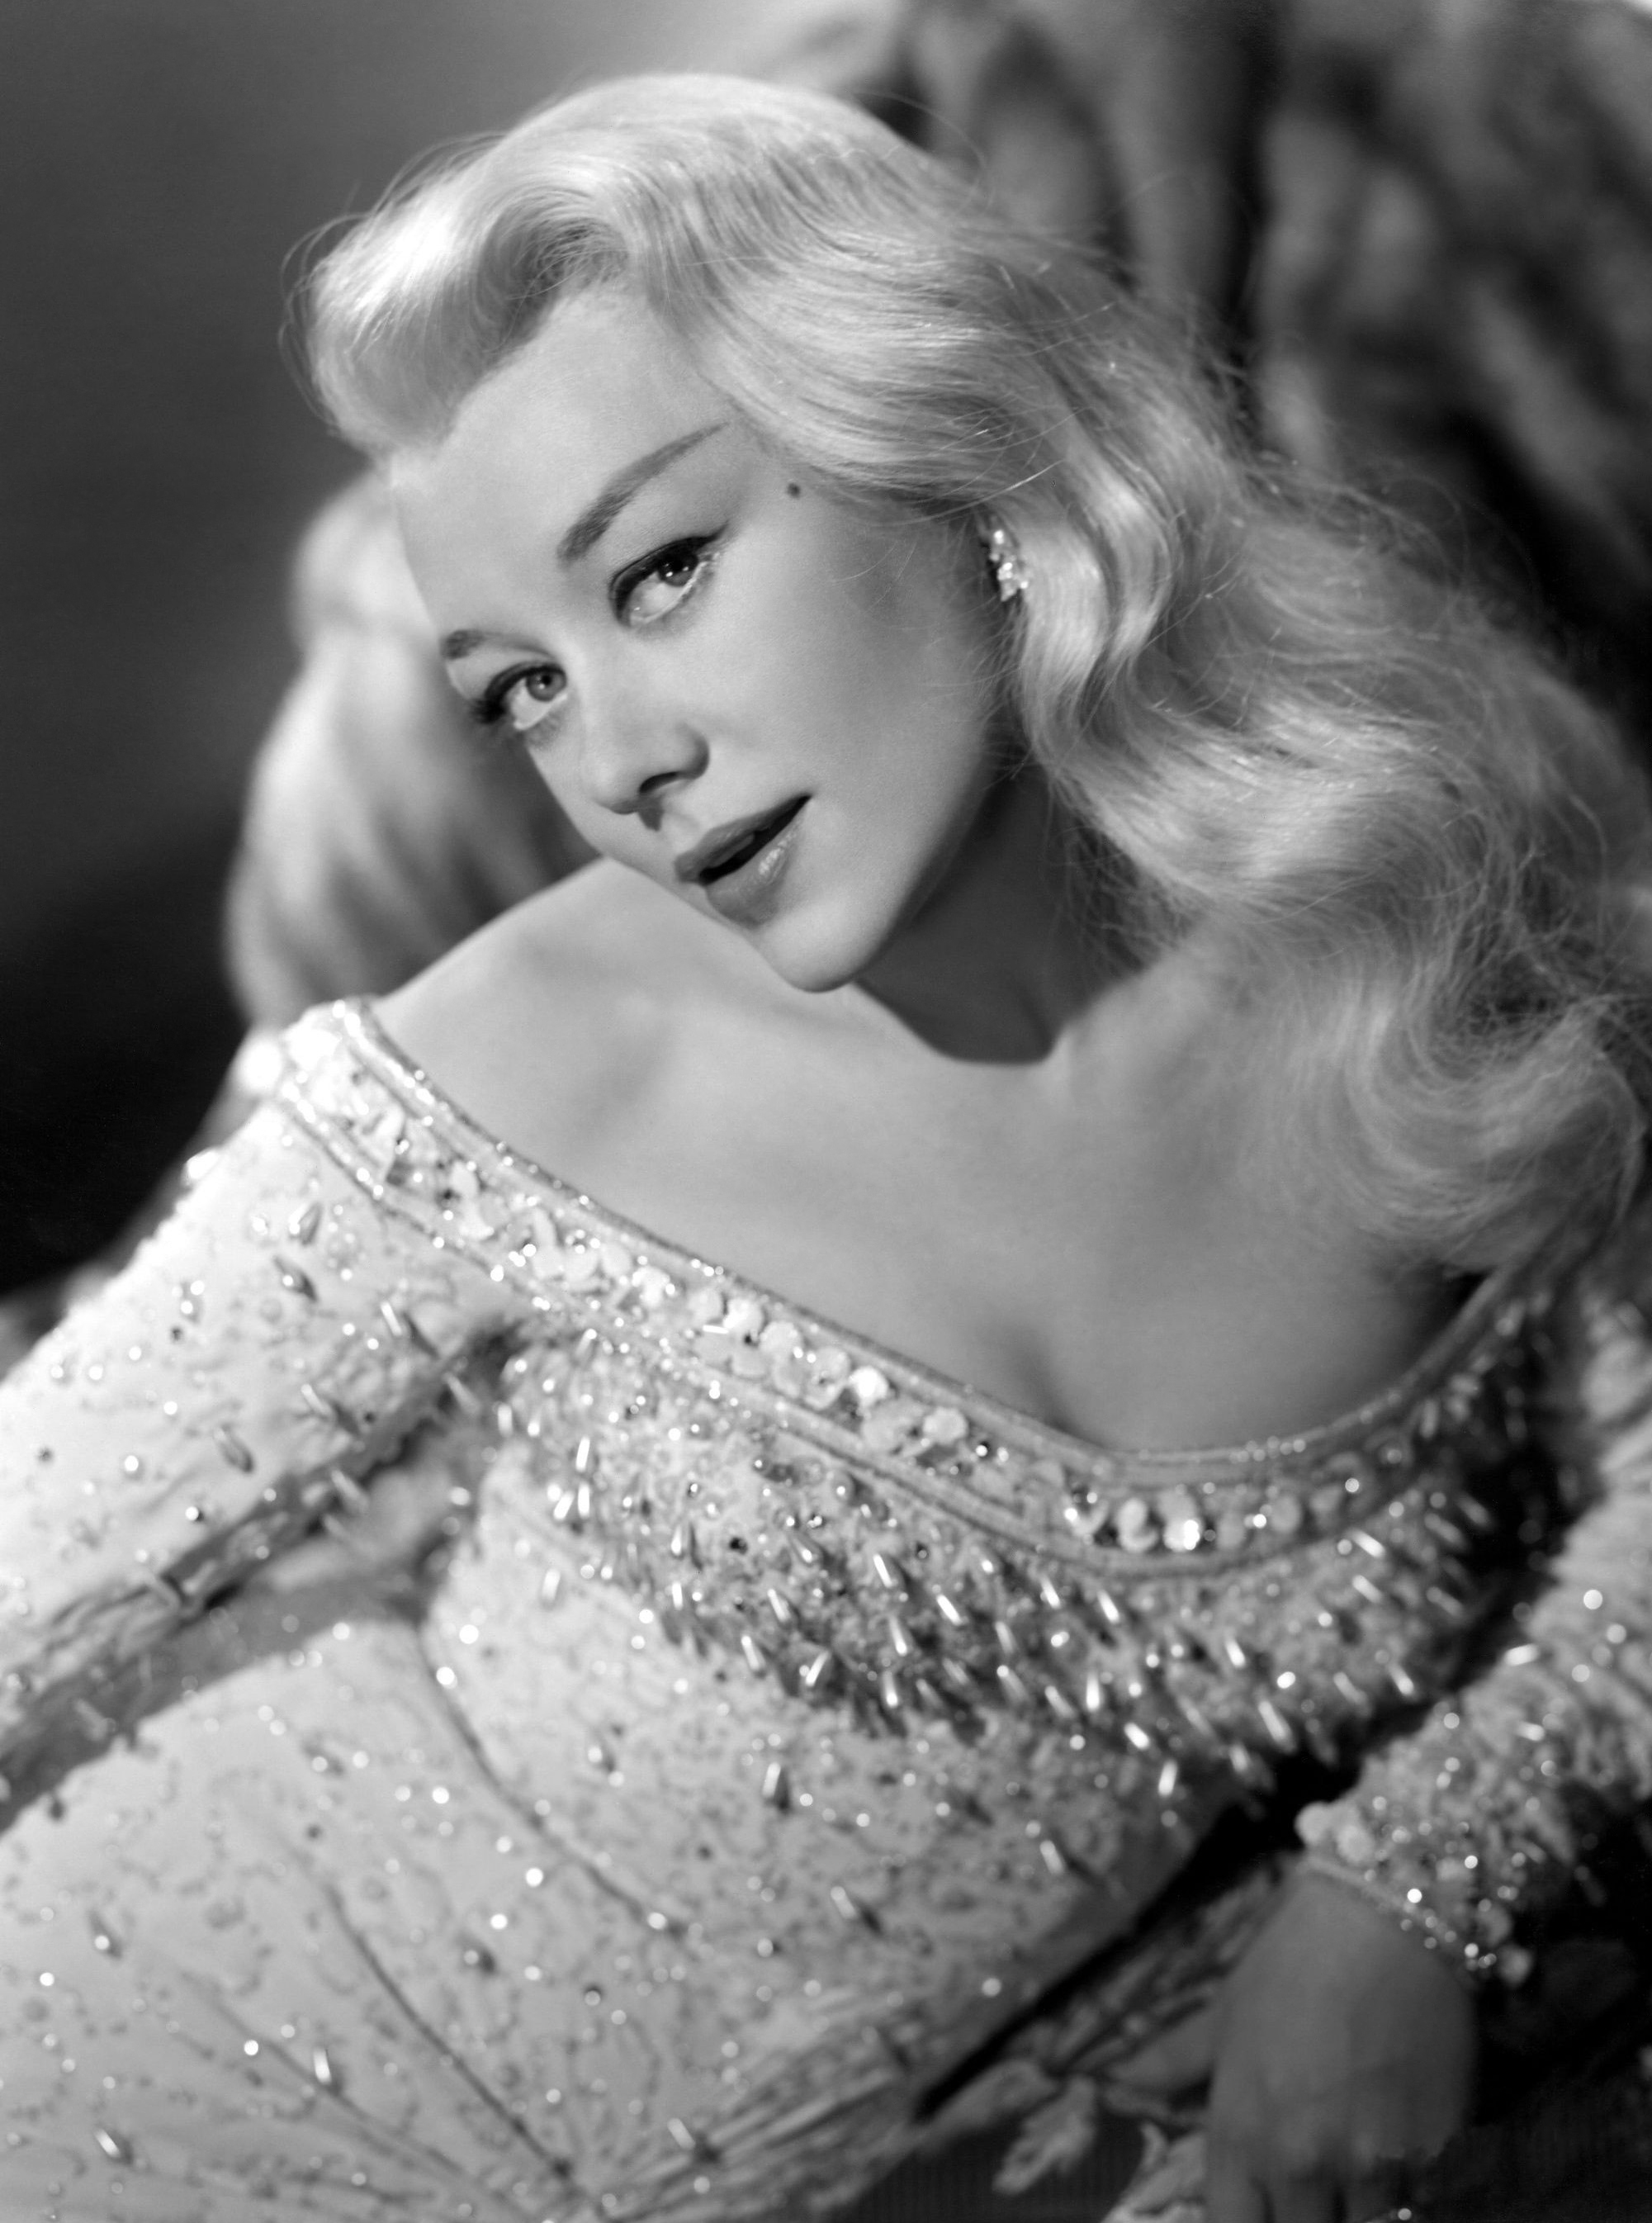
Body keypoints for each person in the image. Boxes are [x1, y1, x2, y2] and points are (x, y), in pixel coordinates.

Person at [4, 72, 1652, 2223]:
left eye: (663, 571)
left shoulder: (1423, 910)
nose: (618, 758)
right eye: (517, 689)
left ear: (965, 459)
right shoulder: (517, 1061)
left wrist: (1411, 1890)